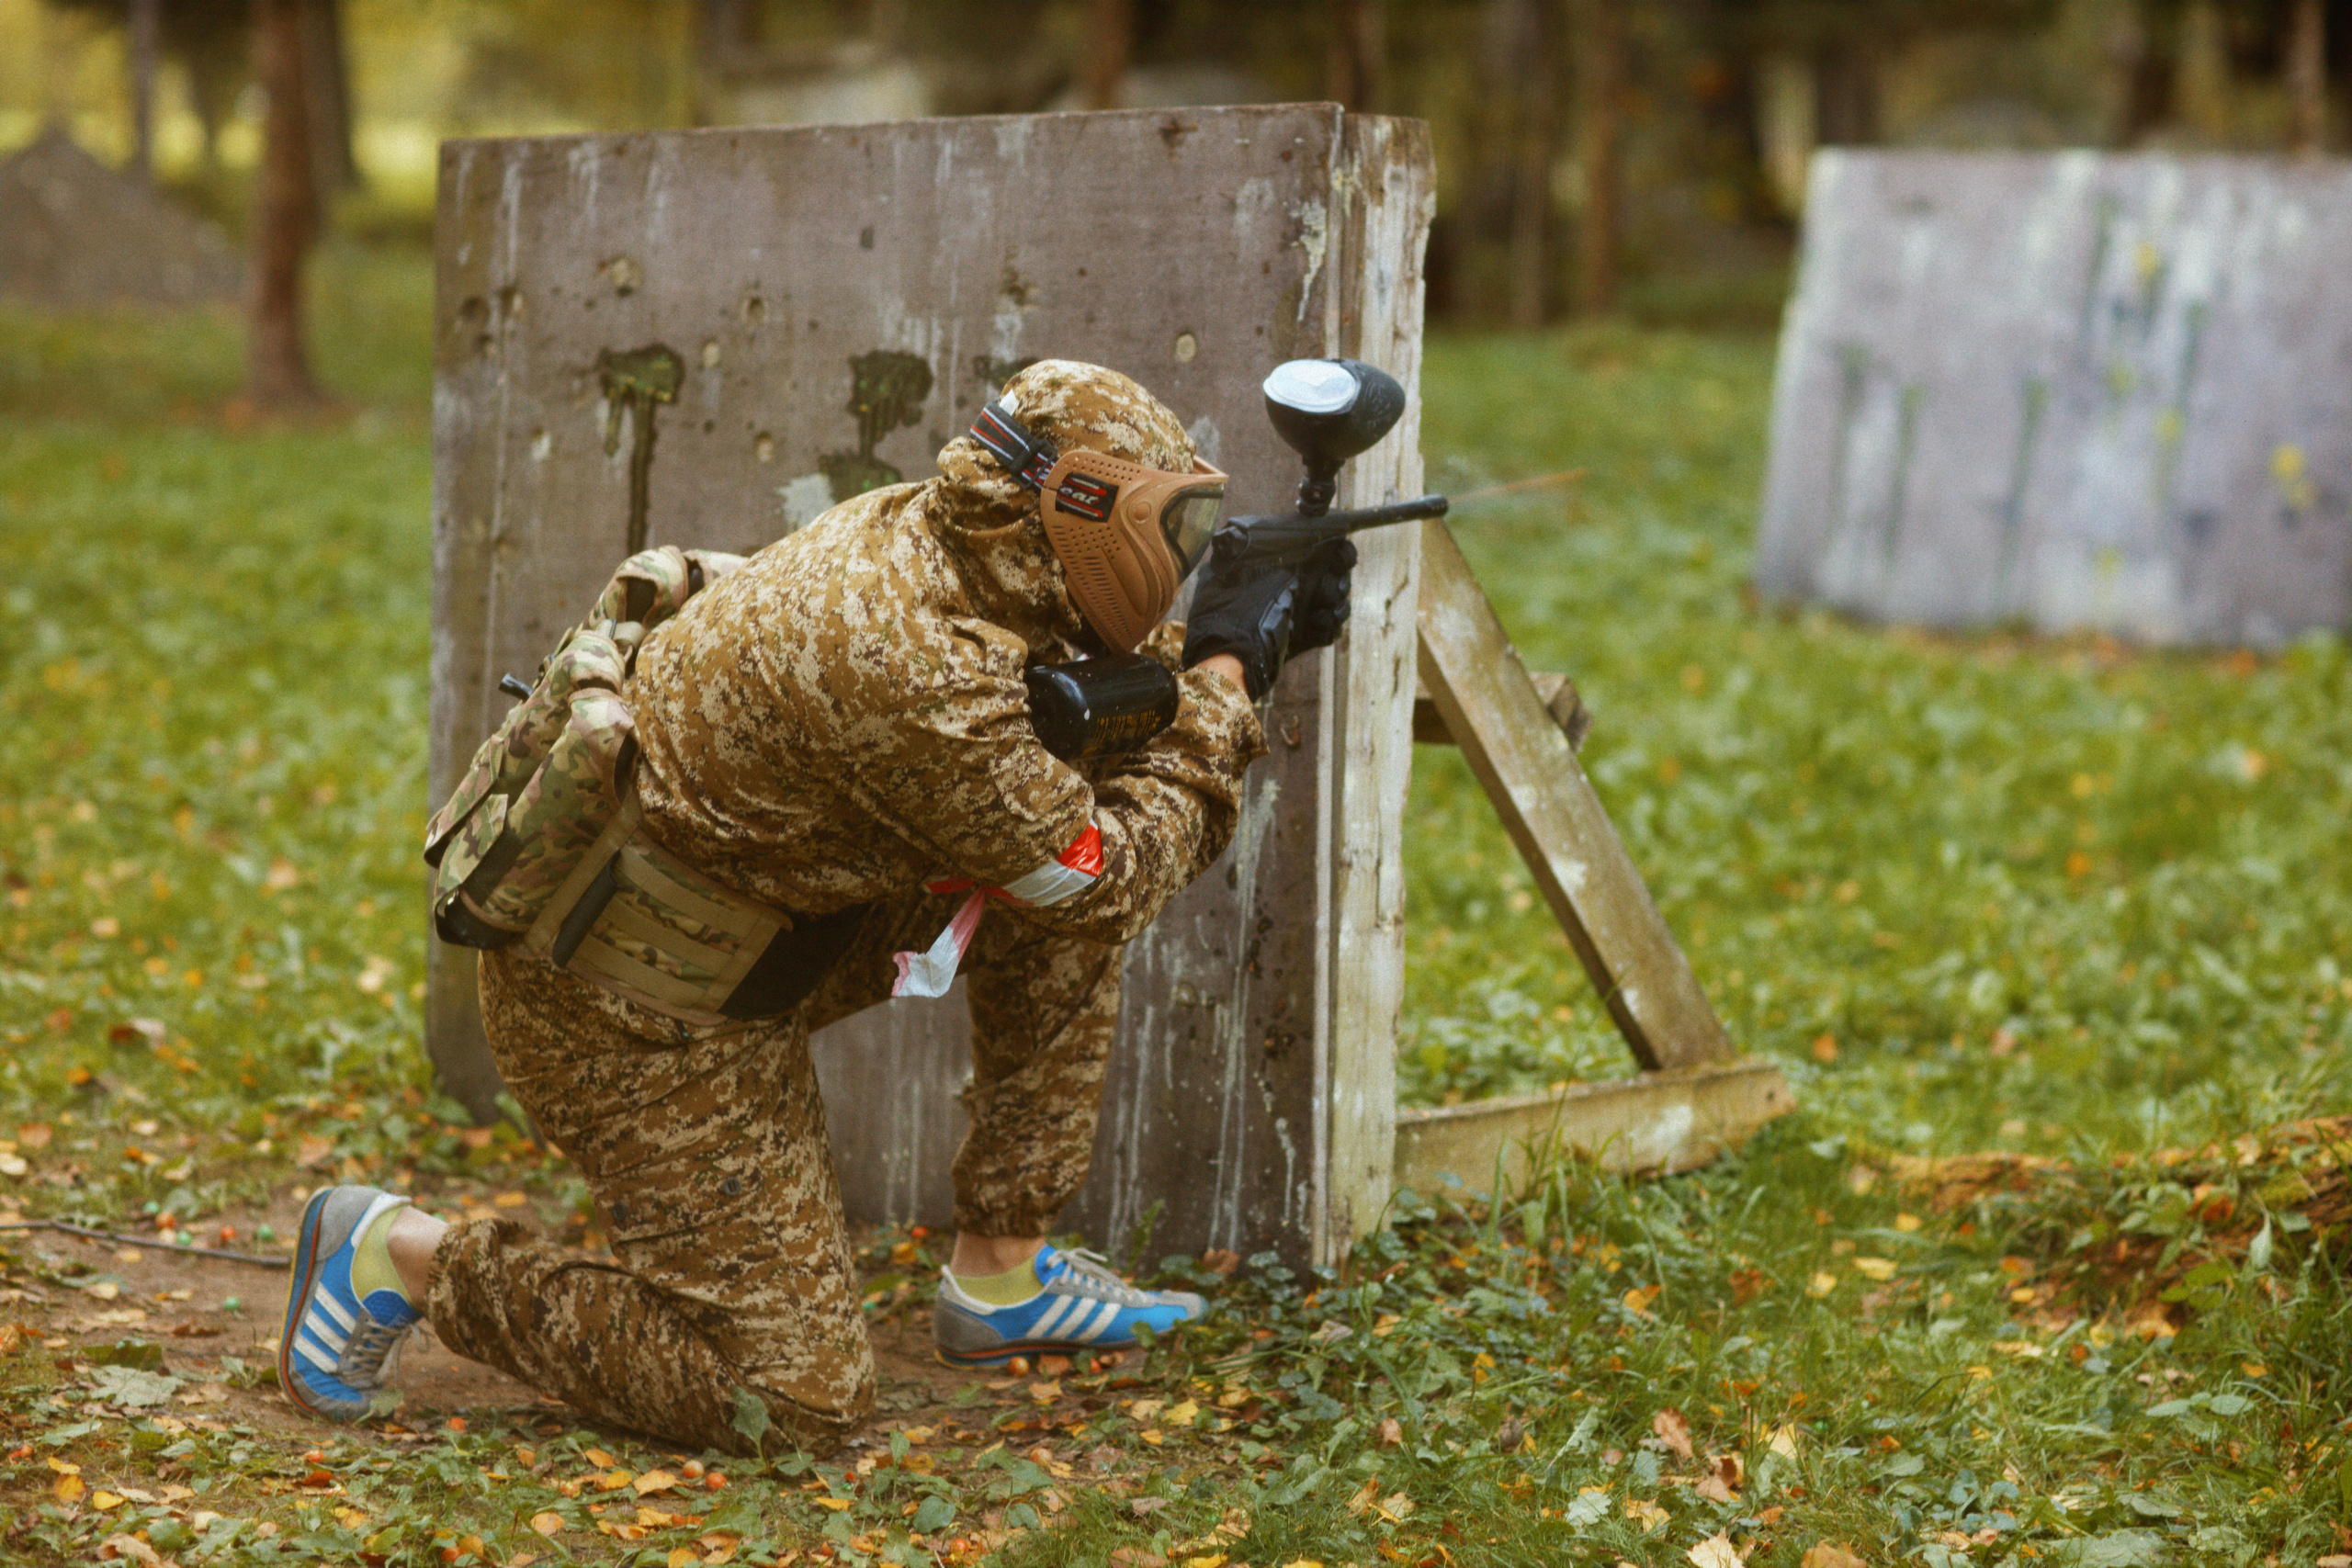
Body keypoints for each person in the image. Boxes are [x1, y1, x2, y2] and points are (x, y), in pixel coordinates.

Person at [277, 360, 1358, 1455]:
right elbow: (1101, 869)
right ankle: (395, 1254)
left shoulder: (945, 546)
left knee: (1048, 890)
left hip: (761, 929)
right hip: (625, 1013)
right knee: (793, 1403)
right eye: (1163, 533)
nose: (1171, 564)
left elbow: (1038, 722)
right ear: (1073, 512)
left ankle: (1002, 1277)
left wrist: (1217, 645)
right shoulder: (906, 660)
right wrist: (1224, 678)